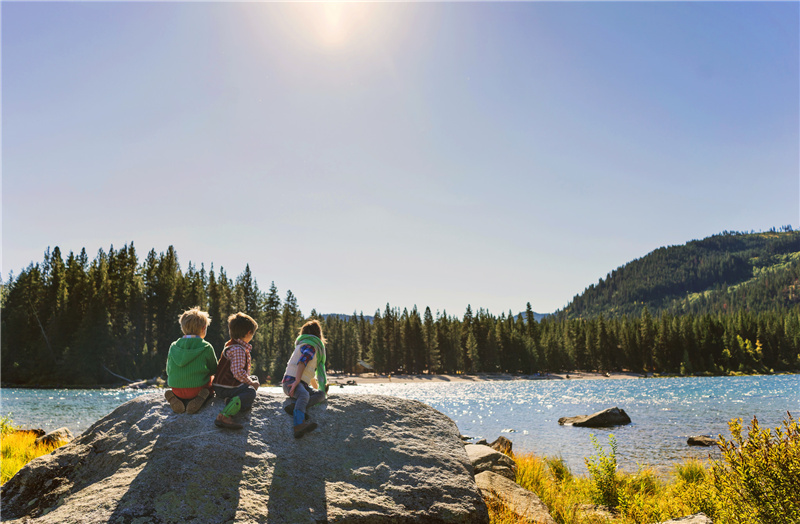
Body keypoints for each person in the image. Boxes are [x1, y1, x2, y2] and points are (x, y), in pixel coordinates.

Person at [165, 308, 218, 415]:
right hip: (197, 389)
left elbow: (168, 370)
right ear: (204, 328)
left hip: (177, 389)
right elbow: (214, 369)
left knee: (178, 388)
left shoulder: (173, 346)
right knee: (212, 380)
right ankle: (201, 397)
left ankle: (173, 397)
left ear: (182, 328)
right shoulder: (206, 347)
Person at [212, 312, 260, 429]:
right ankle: (225, 415)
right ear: (249, 332)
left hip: (223, 384)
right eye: (252, 333)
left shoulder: (232, 345)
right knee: (250, 392)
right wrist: (250, 383)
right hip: (226, 387)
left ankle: (232, 400)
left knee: (254, 378)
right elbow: (237, 372)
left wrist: (250, 380)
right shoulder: (238, 349)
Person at [282, 319, 328, 438]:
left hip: (302, 384)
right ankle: (298, 424)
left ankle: (296, 406)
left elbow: (309, 374)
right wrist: (297, 381)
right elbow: (302, 363)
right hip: (291, 382)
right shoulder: (310, 346)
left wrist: (317, 388)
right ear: (318, 335)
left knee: (321, 395)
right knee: (304, 395)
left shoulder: (307, 345)